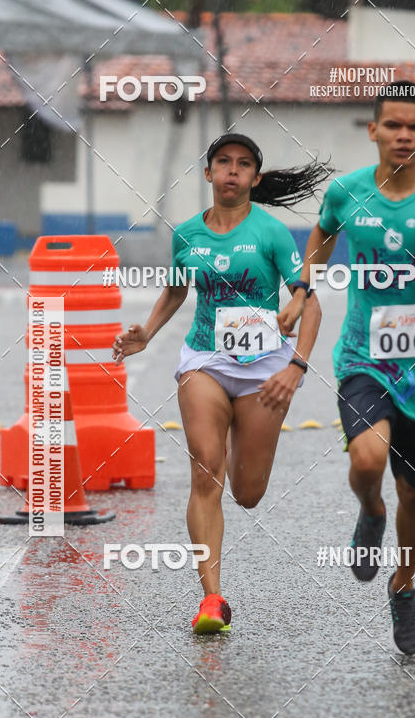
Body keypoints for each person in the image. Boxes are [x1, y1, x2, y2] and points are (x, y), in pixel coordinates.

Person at [279, 81, 415, 655]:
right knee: (369, 459)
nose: (404, 135)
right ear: (373, 130)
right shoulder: (348, 191)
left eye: (414, 127)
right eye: (392, 125)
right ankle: (370, 511)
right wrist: (303, 287)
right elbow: (321, 235)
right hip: (363, 357)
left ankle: (403, 586)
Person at [113, 133, 328, 634]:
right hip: (205, 359)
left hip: (263, 368)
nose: (233, 171)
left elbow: (309, 302)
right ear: (208, 173)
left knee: (248, 492)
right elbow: (175, 288)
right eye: (224, 163)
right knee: (205, 469)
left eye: (244, 164)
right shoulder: (187, 234)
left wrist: (295, 368)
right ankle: (211, 599)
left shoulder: (273, 234)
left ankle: (238, 427)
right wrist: (147, 331)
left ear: (254, 177)